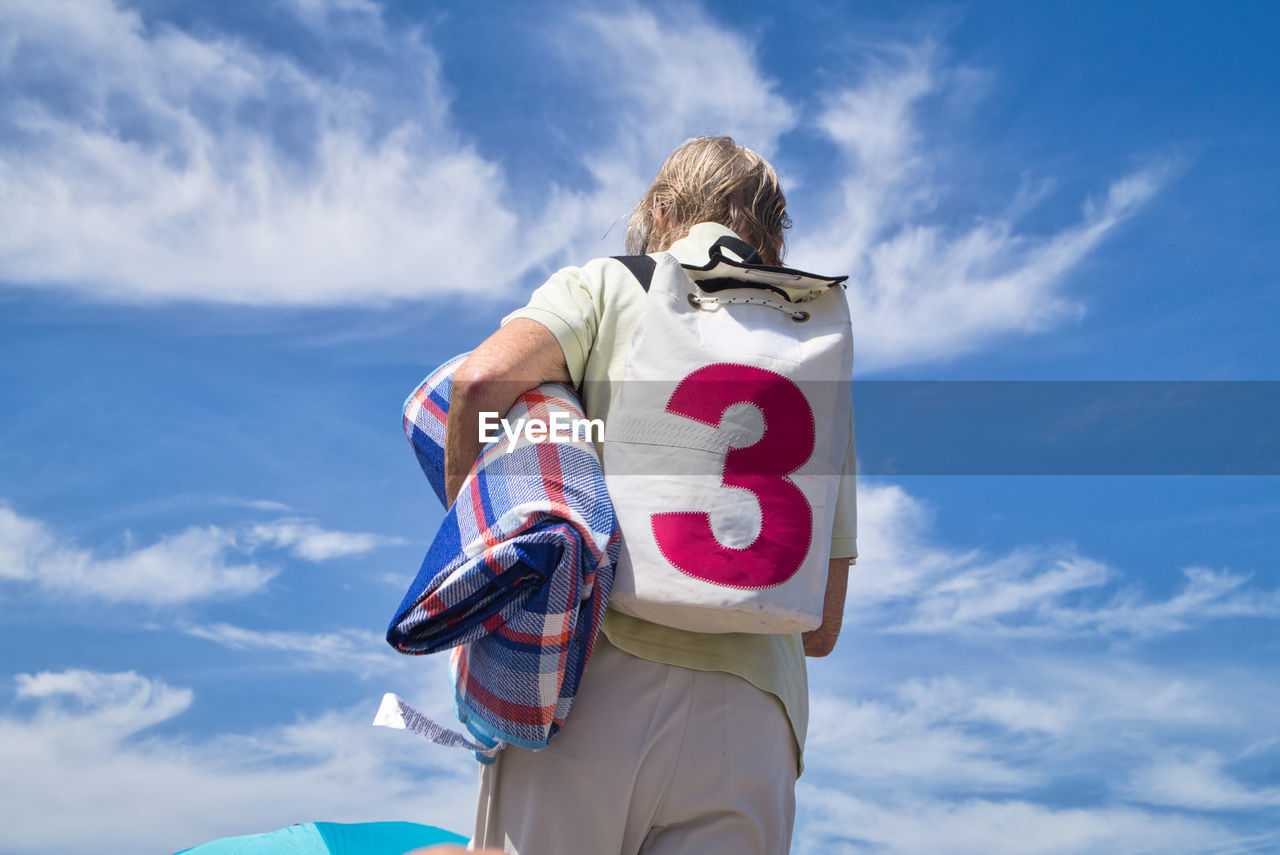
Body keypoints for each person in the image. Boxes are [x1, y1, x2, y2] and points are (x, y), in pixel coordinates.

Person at [444, 136, 857, 855]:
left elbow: (480, 384)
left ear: (660, 211)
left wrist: (473, 547)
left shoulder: (613, 283)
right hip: (753, 728)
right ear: (772, 231)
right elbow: (820, 627)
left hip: (592, 687)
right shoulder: (812, 358)